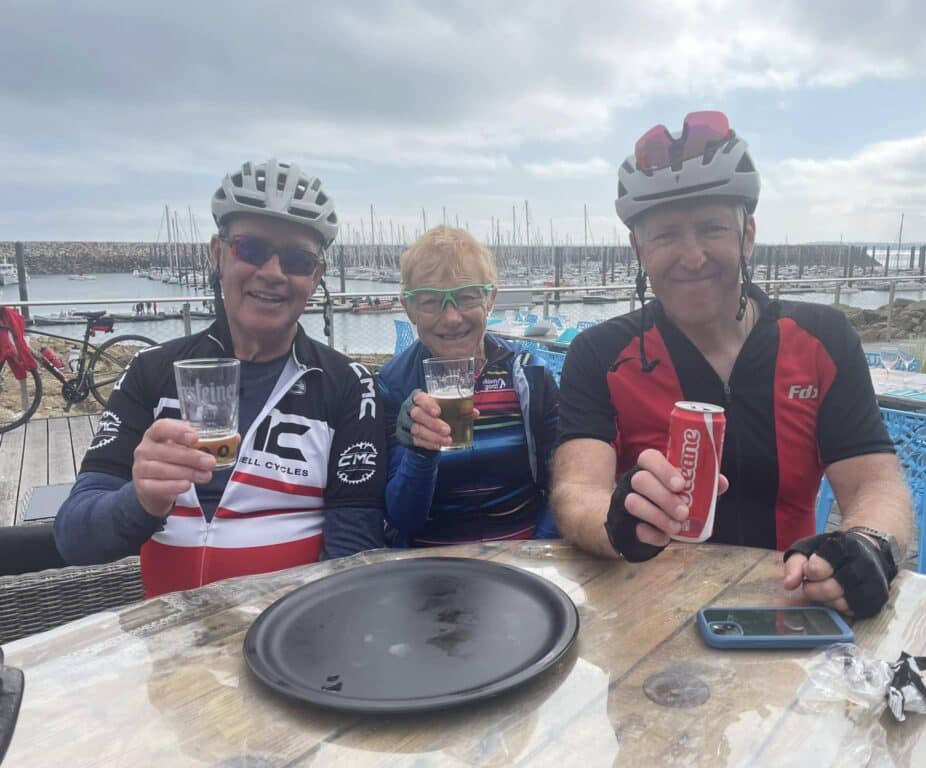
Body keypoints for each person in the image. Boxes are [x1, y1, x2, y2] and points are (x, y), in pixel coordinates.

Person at [551, 111, 911, 619]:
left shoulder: (822, 339)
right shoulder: (599, 354)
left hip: (790, 603)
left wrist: (868, 545)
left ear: (747, 235)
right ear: (638, 249)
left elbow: (876, 482)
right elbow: (575, 491)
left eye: (712, 228)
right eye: (666, 235)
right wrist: (616, 517)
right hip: (649, 617)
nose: (693, 256)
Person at [55, 159, 386, 597]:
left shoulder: (349, 384)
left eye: (296, 259)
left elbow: (353, 548)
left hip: (291, 639)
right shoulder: (151, 371)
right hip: (169, 638)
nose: (272, 272)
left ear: (317, 277)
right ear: (217, 254)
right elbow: (73, 538)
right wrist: (140, 500)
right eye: (250, 249)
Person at [378, 226, 559, 545]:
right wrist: (420, 454)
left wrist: (537, 554)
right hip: (432, 568)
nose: (451, 317)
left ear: (490, 299)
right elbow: (402, 518)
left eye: (465, 297)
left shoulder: (529, 373)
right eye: (431, 302)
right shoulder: (394, 384)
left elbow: (562, 483)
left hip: (522, 559)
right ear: (409, 309)